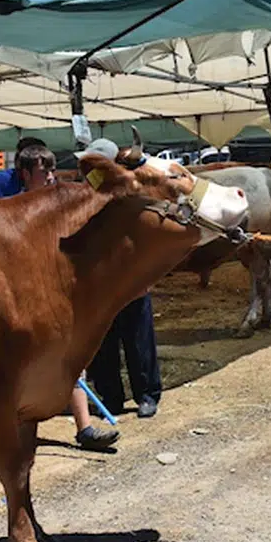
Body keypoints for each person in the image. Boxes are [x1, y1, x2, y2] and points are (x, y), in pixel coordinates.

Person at [0, 136, 119, 450]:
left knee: (70, 358)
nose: (50, 177)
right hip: (15, 299)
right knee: (6, 366)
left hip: (52, 296)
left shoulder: (59, 205)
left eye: (51, 171)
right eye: (42, 172)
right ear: (24, 175)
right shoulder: (7, 212)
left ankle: (85, 428)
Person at [79, 139, 164, 419]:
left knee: (138, 338)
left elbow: (149, 237)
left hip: (131, 278)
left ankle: (147, 395)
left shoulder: (132, 196)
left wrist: (147, 273)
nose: (88, 172)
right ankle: (111, 397)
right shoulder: (86, 196)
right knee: (104, 343)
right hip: (101, 282)